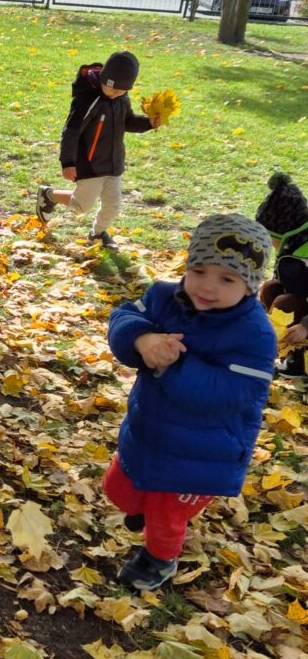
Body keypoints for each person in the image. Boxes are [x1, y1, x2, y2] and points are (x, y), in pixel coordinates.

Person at [105, 214, 275, 591]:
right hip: (151, 428)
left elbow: (229, 395)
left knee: (167, 517)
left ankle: (159, 561)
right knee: (117, 486)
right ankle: (140, 509)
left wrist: (174, 364)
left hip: (202, 453)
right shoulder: (165, 296)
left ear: (249, 286)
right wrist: (142, 340)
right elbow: (123, 316)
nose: (208, 287)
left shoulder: (254, 334)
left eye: (227, 279)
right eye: (199, 271)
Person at [36, 51, 160, 249]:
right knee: (81, 206)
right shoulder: (88, 100)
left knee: (113, 204)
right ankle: (48, 195)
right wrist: (67, 162)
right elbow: (71, 131)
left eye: (121, 91)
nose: (114, 94)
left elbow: (127, 122)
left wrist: (148, 124)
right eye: (111, 90)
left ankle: (98, 234)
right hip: (90, 163)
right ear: (104, 80)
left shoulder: (121, 98)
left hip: (114, 163)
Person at [255, 172, 308, 377]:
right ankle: (289, 351)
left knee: (285, 303)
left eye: (270, 238)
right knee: (271, 289)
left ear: (285, 232)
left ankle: (299, 363)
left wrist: (305, 325)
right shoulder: (297, 244)